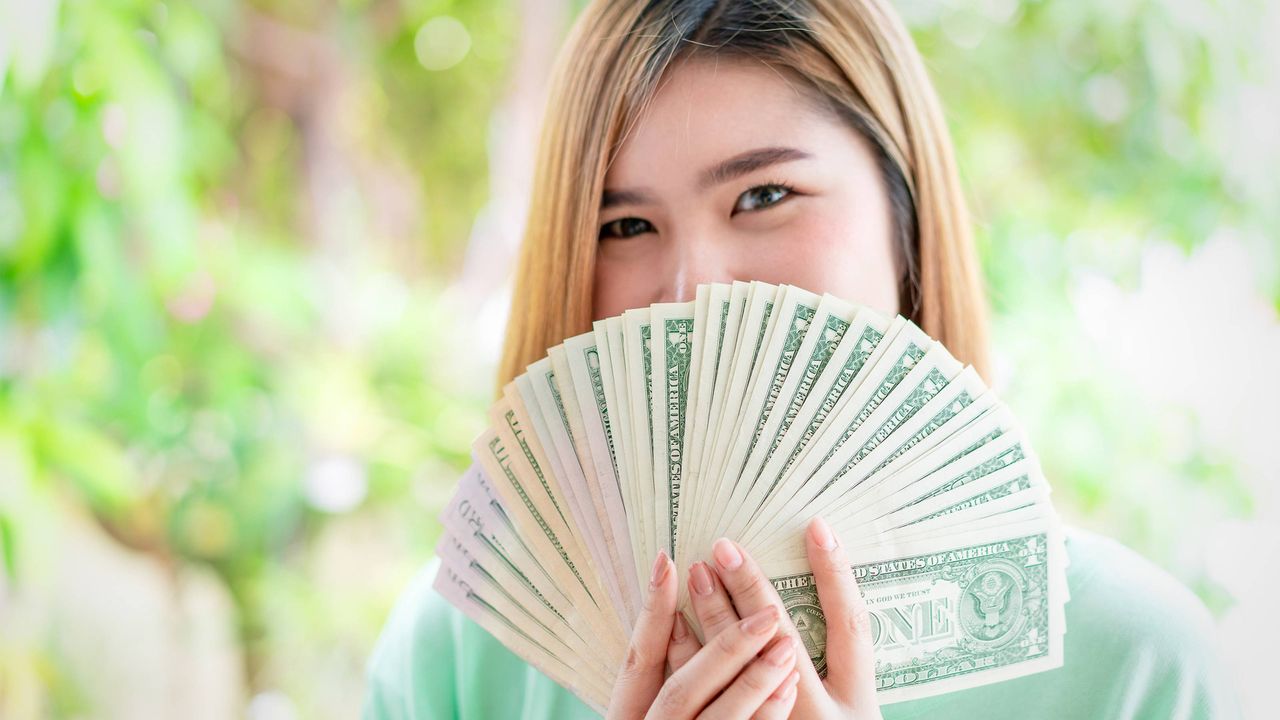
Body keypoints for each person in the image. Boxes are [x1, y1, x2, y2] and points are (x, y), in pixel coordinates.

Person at [362, 1, 1241, 717]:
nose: (692, 293)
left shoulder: (1131, 663)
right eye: (623, 225)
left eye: (765, 195)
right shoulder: (457, 653)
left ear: (907, 224)